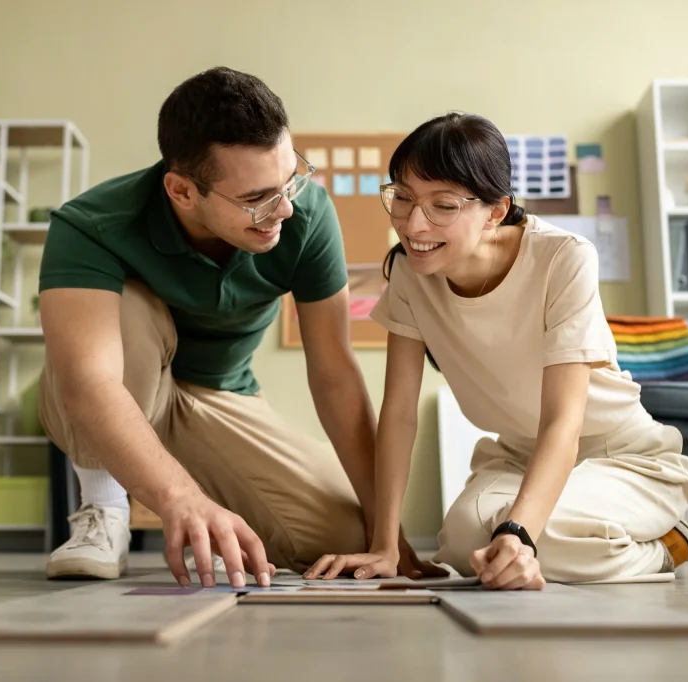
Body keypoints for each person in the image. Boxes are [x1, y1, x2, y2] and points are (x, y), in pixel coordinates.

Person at [36, 67, 440, 587]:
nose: (284, 208)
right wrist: (179, 499)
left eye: (290, 179)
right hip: (118, 387)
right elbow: (89, 384)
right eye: (256, 199)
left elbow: (335, 374)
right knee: (126, 311)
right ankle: (103, 509)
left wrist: (385, 533)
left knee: (344, 537)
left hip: (220, 397)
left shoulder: (305, 216)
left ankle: (230, 528)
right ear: (182, 191)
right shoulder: (90, 226)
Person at [304, 112, 688, 589]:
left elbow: (563, 422)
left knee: (535, 538)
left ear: (495, 211)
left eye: (443, 205)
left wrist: (519, 533)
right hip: (516, 457)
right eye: (402, 198)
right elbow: (400, 413)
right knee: (464, 544)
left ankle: (663, 549)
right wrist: (385, 545)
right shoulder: (411, 274)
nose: (413, 224)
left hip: (623, 456)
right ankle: (582, 542)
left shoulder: (564, 258)